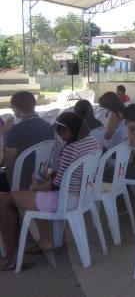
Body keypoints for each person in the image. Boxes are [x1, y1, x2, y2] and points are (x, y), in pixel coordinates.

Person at [0, 112, 102, 270]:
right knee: (31, 194)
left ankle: (10, 257)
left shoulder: (70, 149)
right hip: (83, 196)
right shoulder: (93, 142)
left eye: (61, 133)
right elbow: (72, 171)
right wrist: (51, 177)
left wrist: (36, 186)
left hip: (66, 199)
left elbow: (55, 186)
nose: (60, 137)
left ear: (69, 130)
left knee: (7, 199)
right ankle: (45, 241)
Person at [0, 91, 54, 192]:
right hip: (42, 178)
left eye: (12, 107)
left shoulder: (16, 130)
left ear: (16, 108)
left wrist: (6, 133)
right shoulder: (48, 126)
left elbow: (6, 163)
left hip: (19, 181)